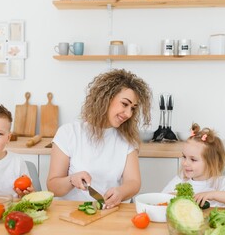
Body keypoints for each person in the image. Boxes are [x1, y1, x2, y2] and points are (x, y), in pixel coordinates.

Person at [47, 69, 152, 209]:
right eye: (125, 104)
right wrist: (71, 180)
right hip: (72, 212)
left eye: (133, 108)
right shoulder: (68, 133)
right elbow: (52, 186)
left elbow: (133, 182)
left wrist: (121, 192)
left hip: (111, 212)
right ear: (106, 98)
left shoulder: (127, 139)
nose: (128, 113)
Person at [162, 123, 225, 207]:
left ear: (211, 163)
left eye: (193, 159)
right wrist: (178, 196)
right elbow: (161, 198)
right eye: (184, 157)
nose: (185, 163)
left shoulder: (222, 183)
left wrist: (212, 195)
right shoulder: (181, 179)